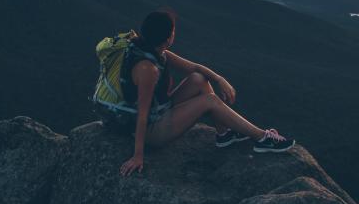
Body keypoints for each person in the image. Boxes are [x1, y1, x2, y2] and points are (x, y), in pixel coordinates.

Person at [117, 10, 295, 177]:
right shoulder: (148, 69)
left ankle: (224, 133)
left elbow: (194, 68)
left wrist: (219, 79)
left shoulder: (151, 49)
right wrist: (138, 155)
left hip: (159, 111)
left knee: (198, 78)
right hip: (152, 130)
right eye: (172, 31)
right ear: (167, 38)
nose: (174, 33)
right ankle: (262, 138)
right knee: (208, 101)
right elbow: (142, 113)